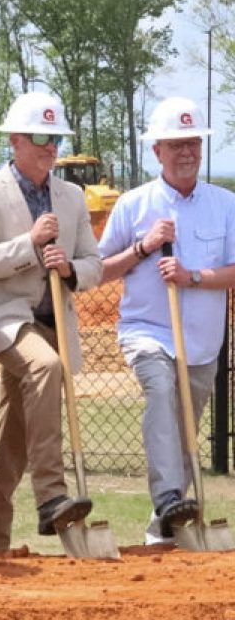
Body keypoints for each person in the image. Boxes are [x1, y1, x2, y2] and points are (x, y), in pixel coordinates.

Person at [0, 91, 103, 553]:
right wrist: (30, 244)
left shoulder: (72, 197)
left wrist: (69, 268)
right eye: (40, 136)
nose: (49, 146)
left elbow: (93, 263)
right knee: (45, 367)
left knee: (11, 438)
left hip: (54, 319)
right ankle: (51, 496)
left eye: (55, 137)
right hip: (5, 320)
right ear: (16, 140)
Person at [99, 97, 235, 544]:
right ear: (157, 151)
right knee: (159, 390)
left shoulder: (225, 205)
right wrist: (143, 247)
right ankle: (167, 497)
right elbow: (99, 271)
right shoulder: (133, 205)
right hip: (148, 332)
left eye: (193, 143)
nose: (187, 153)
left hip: (201, 342)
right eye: (176, 145)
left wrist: (191, 276)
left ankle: (163, 530)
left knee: (186, 437)